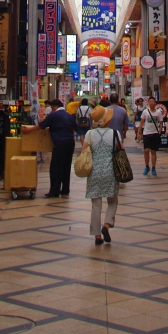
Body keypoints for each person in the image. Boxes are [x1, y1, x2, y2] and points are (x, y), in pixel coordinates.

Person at [80, 104, 120, 245]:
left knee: (96, 204)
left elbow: (84, 151)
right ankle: (107, 225)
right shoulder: (115, 133)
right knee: (112, 201)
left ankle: (97, 236)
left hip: (94, 172)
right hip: (110, 172)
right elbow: (120, 151)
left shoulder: (90, 134)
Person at [22, 98, 76, 198]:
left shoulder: (53, 115)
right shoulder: (70, 116)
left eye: (52, 107)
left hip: (60, 143)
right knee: (66, 166)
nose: (51, 109)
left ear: (55, 107)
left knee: (55, 167)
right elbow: (75, 128)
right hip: (70, 143)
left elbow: (41, 126)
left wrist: (28, 131)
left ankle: (54, 191)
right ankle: (65, 190)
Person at [137, 96, 165, 175]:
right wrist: (139, 133)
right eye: (150, 101)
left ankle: (153, 167)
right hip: (146, 133)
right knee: (146, 151)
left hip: (155, 133)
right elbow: (142, 122)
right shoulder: (145, 112)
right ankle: (147, 166)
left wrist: (159, 130)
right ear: (148, 103)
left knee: (153, 151)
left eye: (153, 101)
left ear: (155, 103)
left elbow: (161, 122)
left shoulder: (158, 112)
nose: (152, 103)